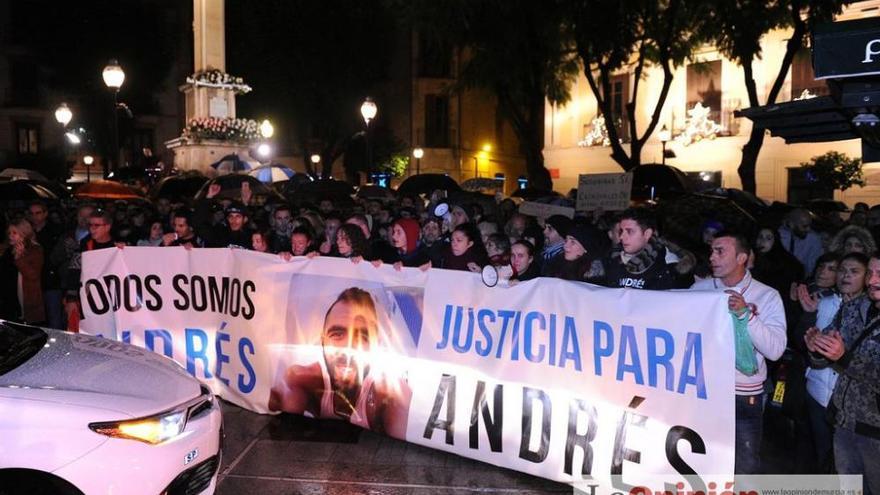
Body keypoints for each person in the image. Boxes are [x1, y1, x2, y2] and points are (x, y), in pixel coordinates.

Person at [690, 231, 786, 474]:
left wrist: (747, 316)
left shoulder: (767, 295)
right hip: (702, 391)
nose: (712, 257)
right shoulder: (699, 288)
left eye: (720, 251)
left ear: (742, 257)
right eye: (711, 250)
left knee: (743, 467)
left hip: (743, 396)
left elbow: (775, 350)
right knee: (704, 464)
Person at [268, 287, 412, 439]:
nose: (347, 348)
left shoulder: (391, 395)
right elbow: (283, 438)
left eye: (363, 336)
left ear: (377, 344)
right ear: (323, 340)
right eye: (337, 334)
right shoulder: (302, 378)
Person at [805, 253, 880, 494]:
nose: (872, 280)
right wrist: (816, 346)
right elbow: (827, 350)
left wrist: (844, 357)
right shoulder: (853, 307)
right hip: (844, 424)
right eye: (870, 273)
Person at [796, 252, 869, 473]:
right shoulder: (825, 303)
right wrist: (809, 318)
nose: (846, 276)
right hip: (818, 395)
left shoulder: (870, 312)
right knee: (823, 460)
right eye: (842, 271)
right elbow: (806, 343)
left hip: (854, 407)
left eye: (854, 271)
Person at [600, 207, 692, 290]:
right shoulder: (611, 259)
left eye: (630, 231)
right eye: (621, 231)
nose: (622, 237)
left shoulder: (669, 266)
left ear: (647, 234)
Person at [3, 219, 45, 325]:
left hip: (27, 297)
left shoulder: (35, 250)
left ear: (24, 234)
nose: (10, 236)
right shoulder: (8, 251)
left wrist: (20, 258)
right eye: (9, 233)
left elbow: (33, 275)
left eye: (14, 233)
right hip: (9, 299)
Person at [779, 208, 824, 275]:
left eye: (810, 225)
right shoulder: (777, 236)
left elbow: (813, 266)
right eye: (804, 226)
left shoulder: (813, 239)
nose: (808, 229)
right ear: (791, 225)